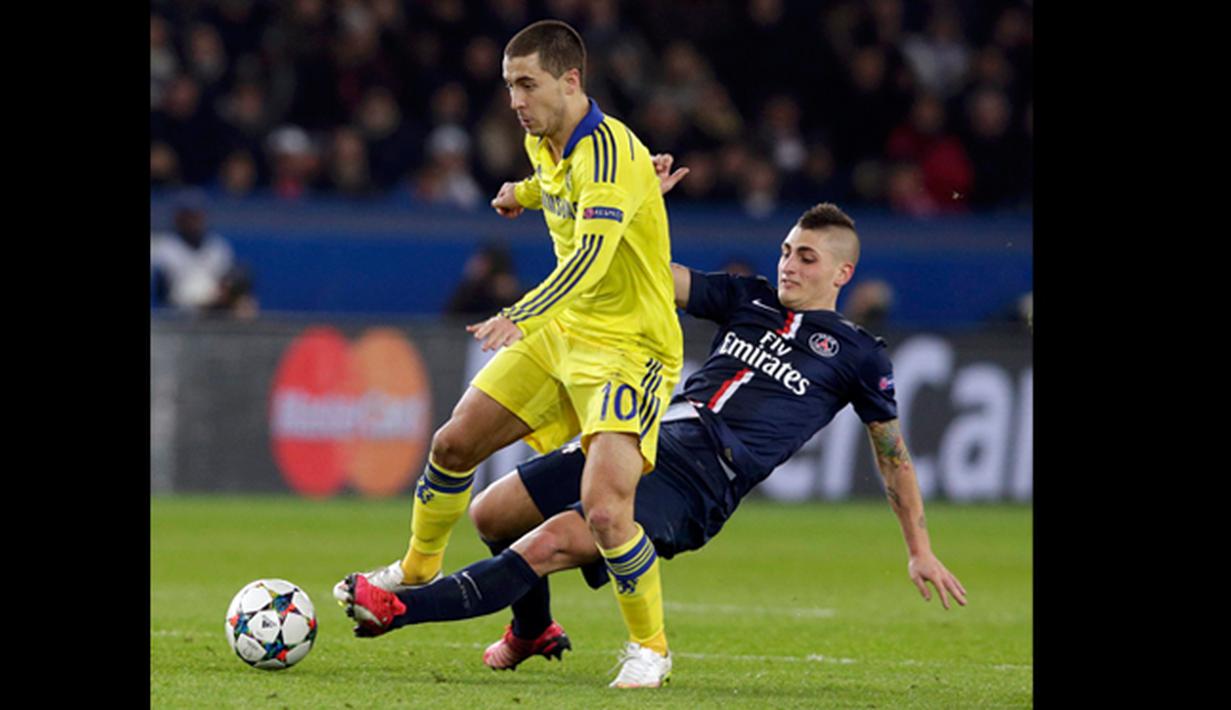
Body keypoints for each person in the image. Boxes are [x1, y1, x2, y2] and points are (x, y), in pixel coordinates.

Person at [337, 195, 967, 689]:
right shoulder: (747, 297)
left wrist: (920, 550)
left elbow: (894, 456)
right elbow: (651, 275)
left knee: (552, 541)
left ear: (842, 272)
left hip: (701, 479)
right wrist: (633, 205)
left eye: (806, 257)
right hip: (644, 437)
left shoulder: (858, 354)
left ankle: (400, 607)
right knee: (491, 513)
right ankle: (532, 630)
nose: (789, 265)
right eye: (785, 251)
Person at [335, 20, 685, 688]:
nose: (516, 101)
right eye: (509, 86)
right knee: (454, 443)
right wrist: (518, 194)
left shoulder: (610, 155)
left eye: (527, 84)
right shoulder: (541, 140)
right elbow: (554, 188)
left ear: (571, 81)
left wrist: (518, 315)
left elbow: (591, 257)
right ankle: (418, 567)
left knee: (605, 508)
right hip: (565, 334)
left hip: (628, 349)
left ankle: (651, 647)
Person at [150, 188, 257, 317]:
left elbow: (226, 282)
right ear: (178, 219)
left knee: (245, 306)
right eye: (188, 216)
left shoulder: (217, 246)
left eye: (196, 216)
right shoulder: (165, 248)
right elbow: (166, 295)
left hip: (216, 309)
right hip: (180, 315)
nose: (193, 221)